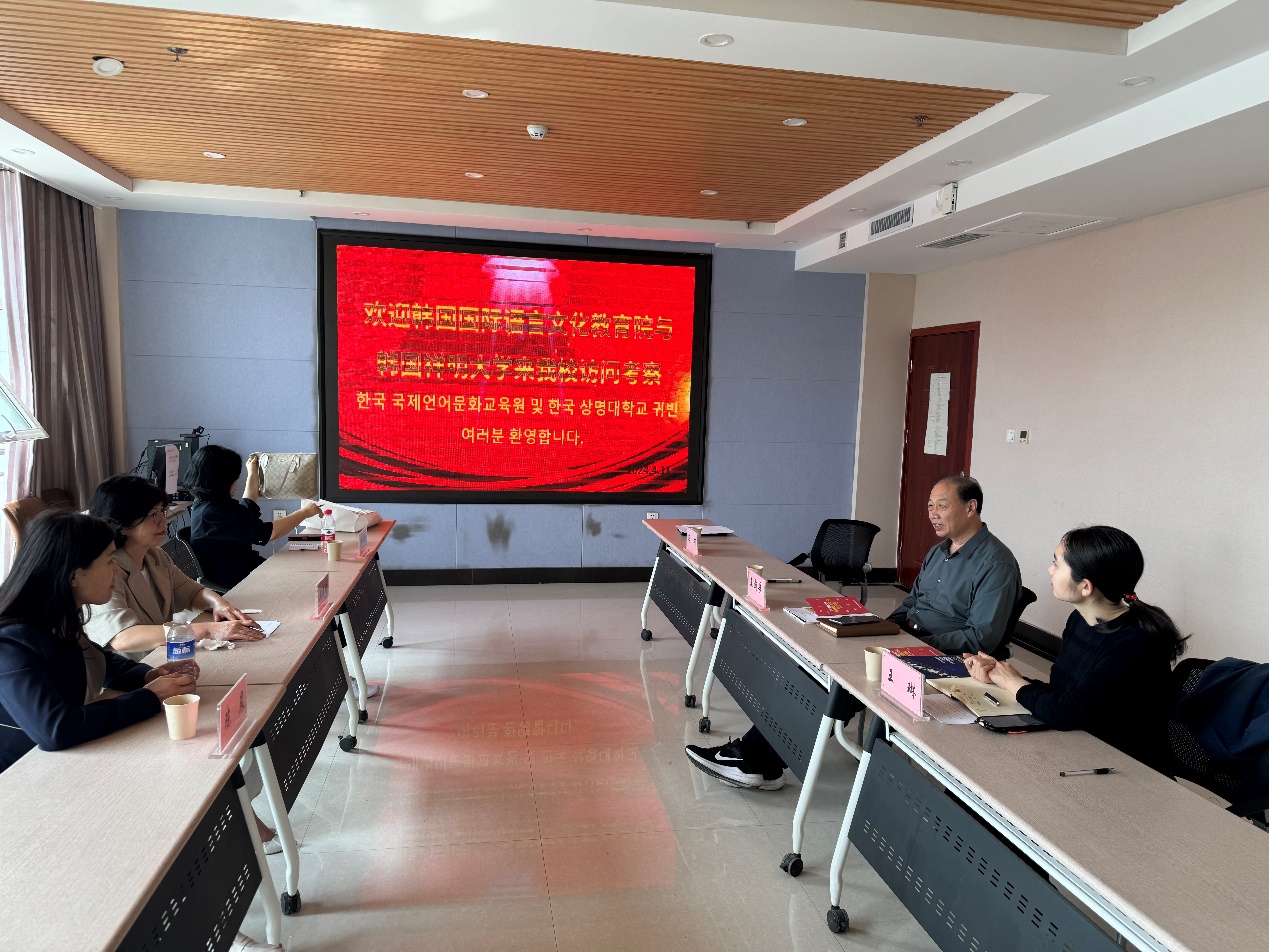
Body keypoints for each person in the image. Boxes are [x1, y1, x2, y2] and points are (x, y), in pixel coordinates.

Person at [686, 474, 1021, 791]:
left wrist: (907, 644)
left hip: (944, 657)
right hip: (908, 641)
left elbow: (981, 639)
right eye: (930, 506)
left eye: (942, 506)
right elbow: (911, 604)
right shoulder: (939, 551)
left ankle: (758, 762)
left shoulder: (996, 563)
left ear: (970, 507)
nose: (933, 514)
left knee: (839, 683)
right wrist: (884, 629)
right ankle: (757, 755)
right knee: (813, 667)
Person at [964, 525, 1186, 775]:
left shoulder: (1136, 642)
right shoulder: (1080, 620)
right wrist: (1001, 677)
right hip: (1079, 745)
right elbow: (1066, 695)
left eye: (1057, 564)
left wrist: (1014, 683)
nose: (1050, 569)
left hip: (1125, 767)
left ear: (1086, 587)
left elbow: (1066, 711)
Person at [0, 511, 199, 773]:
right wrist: (150, 697)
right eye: (108, 560)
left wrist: (149, 675)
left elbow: (97, 660)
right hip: (20, 775)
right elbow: (57, 729)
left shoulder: (56, 615)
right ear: (73, 575)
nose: (116, 569)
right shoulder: (11, 642)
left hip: (63, 762)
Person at [85, 475, 264, 661]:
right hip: (128, 668)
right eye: (153, 515)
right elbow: (123, 638)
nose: (164, 521)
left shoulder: (154, 555)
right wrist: (207, 630)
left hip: (161, 658)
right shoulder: (104, 569)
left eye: (163, 511)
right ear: (121, 524)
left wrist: (219, 604)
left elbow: (192, 592)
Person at [188, 445, 322, 589]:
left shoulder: (206, 503)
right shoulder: (212, 514)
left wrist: (253, 473)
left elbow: (247, 509)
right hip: (240, 580)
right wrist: (305, 512)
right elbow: (268, 533)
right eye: (235, 477)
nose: (237, 481)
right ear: (222, 479)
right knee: (306, 576)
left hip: (244, 568)